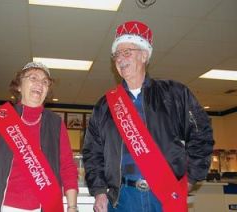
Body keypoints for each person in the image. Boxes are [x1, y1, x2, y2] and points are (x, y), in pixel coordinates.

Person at [82, 20, 214, 212]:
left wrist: (190, 179)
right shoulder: (105, 105)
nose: (120, 58)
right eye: (117, 54)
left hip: (165, 196)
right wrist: (100, 190)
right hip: (122, 199)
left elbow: (202, 135)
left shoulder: (175, 94)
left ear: (144, 55)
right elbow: (92, 153)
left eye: (127, 52)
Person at [0, 62, 78, 212]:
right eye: (33, 78)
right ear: (19, 86)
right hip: (2, 206)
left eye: (45, 82)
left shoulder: (56, 124)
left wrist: (72, 207)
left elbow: (67, 167)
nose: (39, 84)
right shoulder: (1, 117)